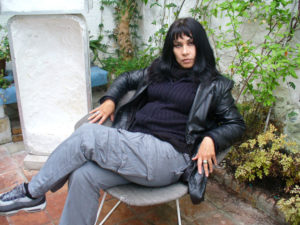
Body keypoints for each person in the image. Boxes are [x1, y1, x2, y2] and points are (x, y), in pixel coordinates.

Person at [0, 17, 245, 224]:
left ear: (200, 45)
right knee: (84, 175)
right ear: (171, 48)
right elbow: (128, 78)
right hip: (135, 146)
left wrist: (211, 138)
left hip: (168, 157)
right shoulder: (161, 69)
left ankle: (33, 193)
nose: (184, 51)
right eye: (178, 45)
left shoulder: (214, 85)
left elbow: (236, 124)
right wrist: (110, 100)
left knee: (88, 135)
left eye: (190, 44)